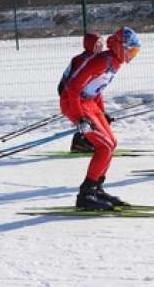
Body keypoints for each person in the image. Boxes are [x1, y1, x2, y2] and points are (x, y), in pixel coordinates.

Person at [60, 26, 141, 210]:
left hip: (89, 103)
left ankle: (97, 188)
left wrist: (102, 112)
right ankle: (85, 195)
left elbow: (96, 89)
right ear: (121, 46)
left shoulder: (115, 63)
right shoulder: (102, 62)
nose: (134, 55)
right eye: (132, 50)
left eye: (136, 51)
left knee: (112, 143)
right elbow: (73, 88)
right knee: (103, 147)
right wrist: (81, 118)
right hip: (74, 103)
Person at [57, 32, 104, 153]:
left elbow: (96, 89)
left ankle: (86, 142)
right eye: (97, 44)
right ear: (89, 45)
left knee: (93, 119)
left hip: (84, 97)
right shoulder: (82, 60)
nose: (100, 47)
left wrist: (102, 111)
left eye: (101, 44)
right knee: (85, 119)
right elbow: (71, 84)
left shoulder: (98, 61)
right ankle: (81, 143)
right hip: (71, 95)